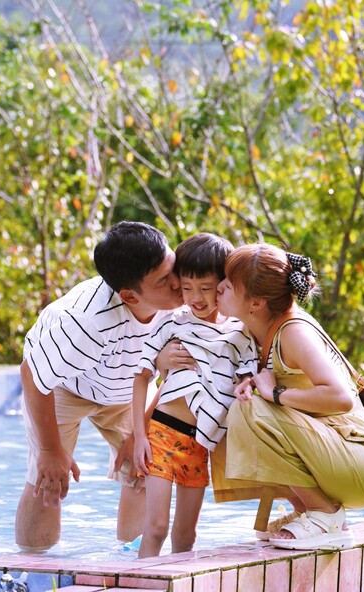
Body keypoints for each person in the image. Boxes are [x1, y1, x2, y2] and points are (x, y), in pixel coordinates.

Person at [15, 221, 190, 552]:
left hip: (126, 389)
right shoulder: (87, 322)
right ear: (128, 295)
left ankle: (131, 562)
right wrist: (51, 451)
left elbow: (177, 375)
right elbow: (33, 377)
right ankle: (33, 567)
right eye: (164, 281)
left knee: (145, 465)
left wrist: (142, 431)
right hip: (65, 387)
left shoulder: (181, 305)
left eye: (173, 267)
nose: (179, 284)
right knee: (48, 482)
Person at [214, 243, 364, 551]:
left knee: (250, 410)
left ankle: (325, 515)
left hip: (362, 462)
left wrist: (276, 394)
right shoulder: (255, 330)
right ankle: (308, 512)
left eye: (228, 285)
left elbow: (340, 398)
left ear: (256, 302)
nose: (218, 288)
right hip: (336, 456)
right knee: (242, 407)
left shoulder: (294, 333)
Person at [131, 233, 258, 557]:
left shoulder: (239, 333)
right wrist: (139, 436)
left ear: (224, 284)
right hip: (162, 432)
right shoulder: (172, 322)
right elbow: (141, 375)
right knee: (156, 527)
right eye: (187, 288)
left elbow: (249, 380)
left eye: (205, 288)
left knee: (186, 536)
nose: (196, 298)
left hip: (201, 443)